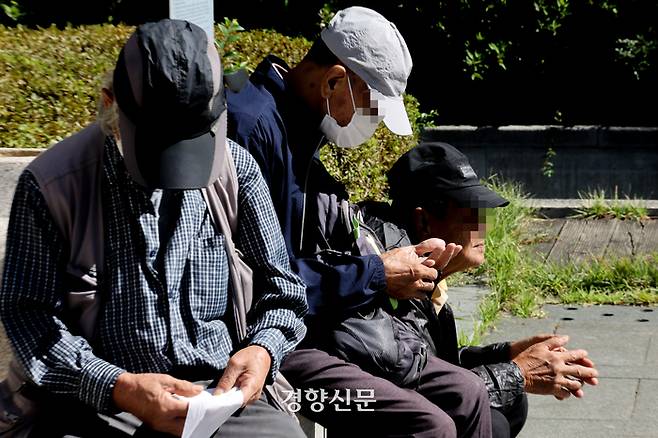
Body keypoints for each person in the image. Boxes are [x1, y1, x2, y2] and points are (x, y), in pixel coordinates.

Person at [0, 19, 307, 437]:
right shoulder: (53, 185)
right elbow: (29, 319)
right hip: (98, 400)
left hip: (218, 393)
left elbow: (284, 291)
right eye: (156, 148)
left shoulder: (236, 170)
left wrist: (262, 348)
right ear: (110, 103)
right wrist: (120, 387)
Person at [228, 6, 492, 438]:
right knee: (429, 425)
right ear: (334, 81)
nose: (367, 124)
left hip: (320, 329)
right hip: (279, 348)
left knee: (468, 393)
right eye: (369, 107)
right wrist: (375, 274)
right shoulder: (254, 128)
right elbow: (255, 278)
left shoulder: (297, 126)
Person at [360, 141, 600, 437]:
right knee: (496, 420)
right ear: (423, 220)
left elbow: (436, 363)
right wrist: (519, 372)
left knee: (511, 404)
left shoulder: (425, 279)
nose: (483, 226)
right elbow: (413, 381)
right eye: (472, 211)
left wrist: (508, 353)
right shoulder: (396, 286)